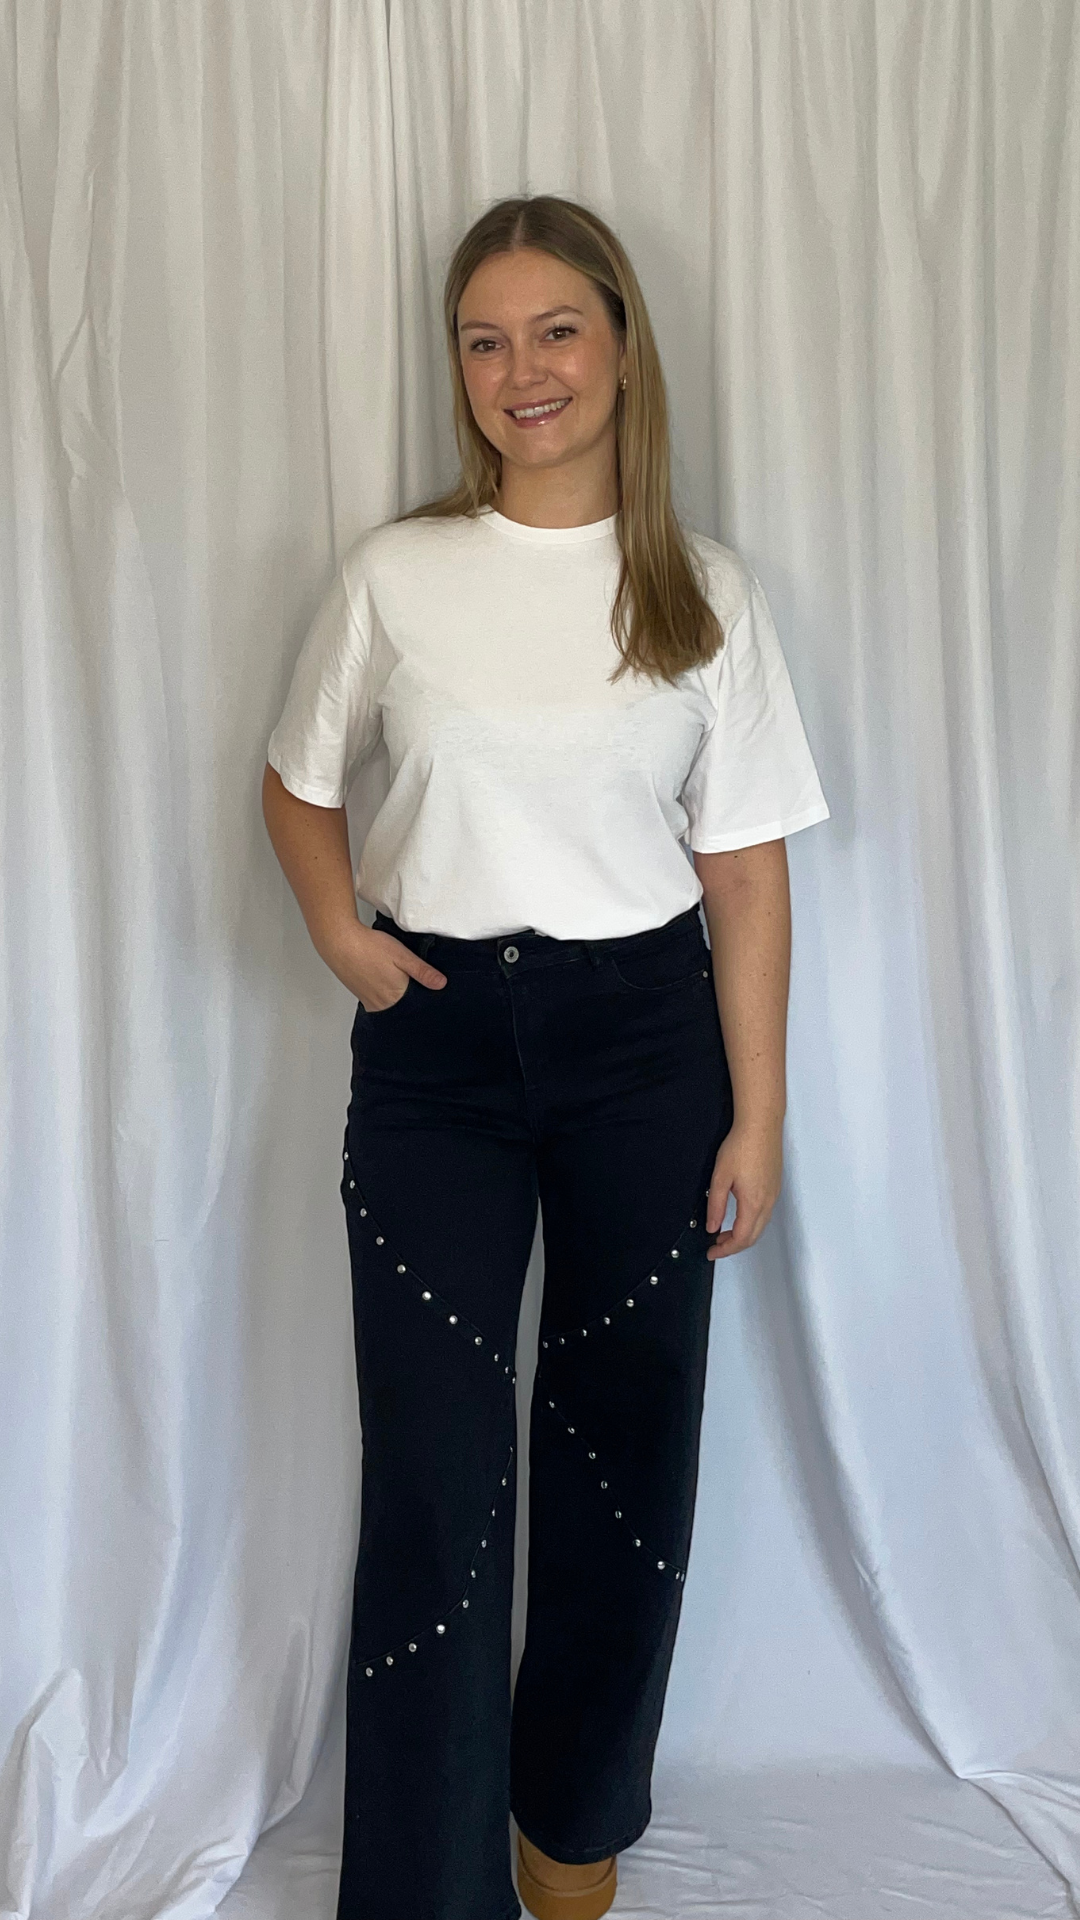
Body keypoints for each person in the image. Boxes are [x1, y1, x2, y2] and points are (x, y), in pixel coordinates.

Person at [262, 193, 830, 1920]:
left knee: (624, 1449)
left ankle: (570, 1825)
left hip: (644, 1051)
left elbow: (745, 873)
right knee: (436, 1482)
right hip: (434, 1059)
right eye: (485, 339)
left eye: (557, 329)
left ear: (624, 346)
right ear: (459, 368)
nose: (525, 370)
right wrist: (341, 932)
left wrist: (758, 1115)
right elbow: (296, 779)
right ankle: (425, 1890)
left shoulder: (704, 592)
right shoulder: (398, 574)